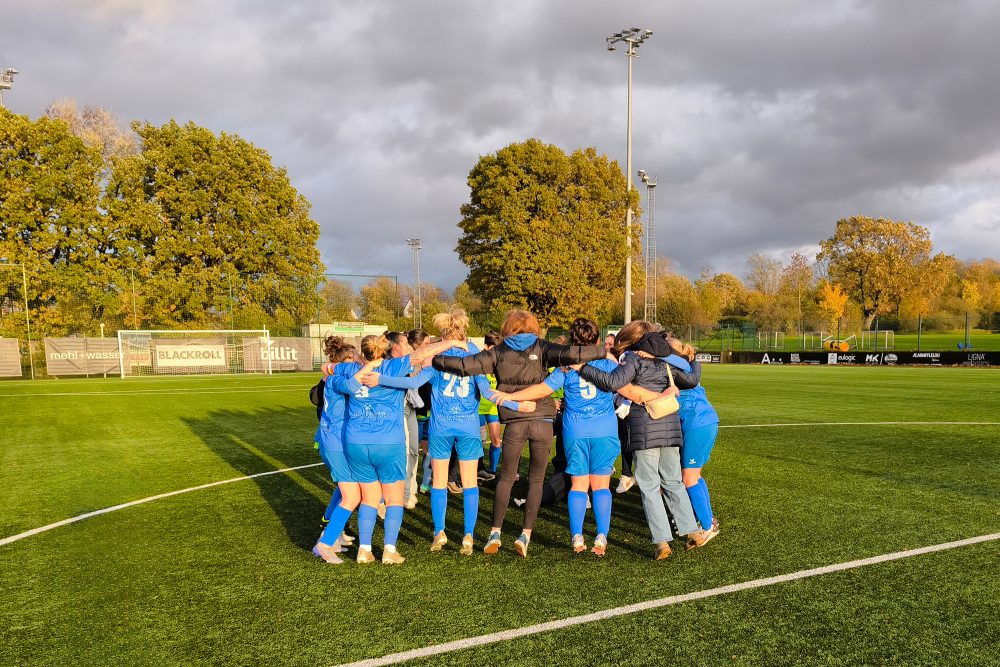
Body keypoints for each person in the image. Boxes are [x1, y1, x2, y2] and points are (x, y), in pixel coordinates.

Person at [431, 309, 605, 557]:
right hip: (543, 418)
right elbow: (572, 353)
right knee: (535, 480)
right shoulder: (543, 347)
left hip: (514, 420)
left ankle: (495, 531)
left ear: (507, 328)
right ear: (533, 327)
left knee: (506, 477)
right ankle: (525, 534)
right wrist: (601, 351)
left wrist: (437, 360)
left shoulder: (498, 351)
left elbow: (464, 366)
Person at [366, 308, 529, 555]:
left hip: (441, 425)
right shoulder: (475, 355)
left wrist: (381, 379)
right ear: (465, 332)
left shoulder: (438, 357)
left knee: (439, 483)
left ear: (444, 335)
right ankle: (468, 536)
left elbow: (412, 383)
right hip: (468, 427)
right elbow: (487, 393)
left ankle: (439, 532)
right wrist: (519, 404)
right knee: (470, 483)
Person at [575, 320, 707, 560]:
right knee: (673, 481)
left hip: (644, 428)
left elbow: (612, 383)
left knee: (648, 486)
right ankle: (692, 531)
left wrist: (583, 368)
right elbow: (691, 380)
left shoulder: (633, 359)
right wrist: (693, 359)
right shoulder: (665, 362)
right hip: (670, 428)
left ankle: (662, 542)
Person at [327, 333, 458, 565]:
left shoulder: (350, 370)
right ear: (385, 348)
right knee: (394, 498)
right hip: (388, 442)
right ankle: (389, 549)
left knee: (369, 498)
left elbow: (327, 368)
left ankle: (364, 550)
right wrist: (452, 342)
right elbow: (421, 355)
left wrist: (333, 367)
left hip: (356, 442)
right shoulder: (393, 366)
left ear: (364, 351)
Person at [492, 318, 619, 556]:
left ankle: (577, 536)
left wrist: (510, 395)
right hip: (604, 431)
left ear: (572, 342)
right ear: (598, 340)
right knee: (601, 485)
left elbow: (542, 389)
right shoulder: (609, 365)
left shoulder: (566, 368)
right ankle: (601, 536)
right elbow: (629, 388)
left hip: (576, 432)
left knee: (578, 485)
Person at [311, 336, 362, 564]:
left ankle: (333, 534)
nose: (357, 363)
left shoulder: (334, 379)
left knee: (347, 493)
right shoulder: (337, 381)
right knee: (352, 495)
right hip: (334, 444)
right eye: (353, 360)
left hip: (337, 442)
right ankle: (324, 542)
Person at [385, 331, 422, 509]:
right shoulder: (389, 365)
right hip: (396, 410)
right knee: (400, 453)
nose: (410, 347)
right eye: (407, 344)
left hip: (411, 407)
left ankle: (408, 491)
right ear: (397, 347)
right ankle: (387, 498)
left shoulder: (408, 363)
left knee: (413, 450)